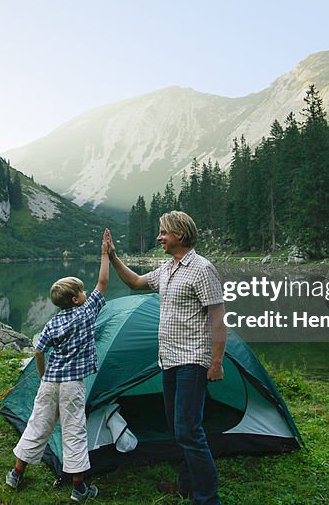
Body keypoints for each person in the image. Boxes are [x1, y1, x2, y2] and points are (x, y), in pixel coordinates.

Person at [106, 211, 226, 505]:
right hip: (168, 360)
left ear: (180, 235)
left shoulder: (202, 269)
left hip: (192, 362)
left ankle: (208, 499)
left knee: (189, 431)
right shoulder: (168, 268)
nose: (159, 238)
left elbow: (218, 318)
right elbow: (135, 282)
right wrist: (112, 256)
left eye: (163, 233)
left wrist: (216, 362)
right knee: (178, 428)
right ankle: (187, 484)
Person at [5, 229, 112, 503]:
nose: (87, 293)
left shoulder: (53, 322)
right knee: (74, 428)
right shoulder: (87, 312)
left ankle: (17, 473)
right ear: (76, 299)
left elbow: (39, 350)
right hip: (72, 385)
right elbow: (103, 282)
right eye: (82, 291)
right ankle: (79, 488)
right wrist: (104, 253)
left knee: (38, 423)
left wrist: (42, 375)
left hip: (51, 382)